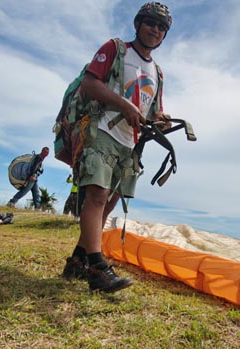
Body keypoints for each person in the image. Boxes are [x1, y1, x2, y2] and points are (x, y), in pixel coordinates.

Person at [61, 2, 173, 293]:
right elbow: (89, 84)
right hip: (101, 130)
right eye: (151, 23)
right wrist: (124, 105)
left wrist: (160, 121)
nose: (156, 30)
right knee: (96, 195)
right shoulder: (116, 49)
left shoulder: (158, 72)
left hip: (130, 143)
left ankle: (77, 260)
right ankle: (98, 267)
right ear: (138, 24)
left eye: (162, 27)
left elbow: (152, 111)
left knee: (109, 202)